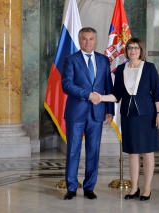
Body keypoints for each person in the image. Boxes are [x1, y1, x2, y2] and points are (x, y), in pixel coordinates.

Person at [94, 37, 159, 201]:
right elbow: (116, 95)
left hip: (147, 115)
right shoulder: (120, 69)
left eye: (136, 48)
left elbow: (157, 94)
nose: (133, 50)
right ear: (126, 51)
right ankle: (134, 188)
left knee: (147, 152)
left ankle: (147, 188)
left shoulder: (149, 68)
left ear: (141, 51)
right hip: (128, 115)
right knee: (132, 153)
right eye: (130, 48)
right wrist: (100, 97)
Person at [61, 27, 114, 200]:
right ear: (79, 40)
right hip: (76, 112)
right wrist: (87, 95)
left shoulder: (103, 60)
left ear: (95, 40)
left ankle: (89, 187)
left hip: (97, 113)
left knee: (94, 151)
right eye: (84, 39)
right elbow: (66, 85)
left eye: (91, 39)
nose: (88, 42)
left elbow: (108, 85)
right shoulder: (71, 60)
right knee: (73, 151)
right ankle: (71, 187)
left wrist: (110, 110)